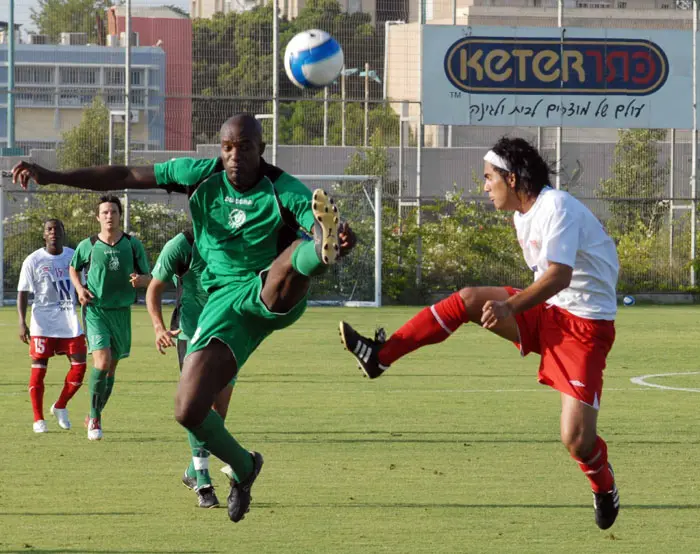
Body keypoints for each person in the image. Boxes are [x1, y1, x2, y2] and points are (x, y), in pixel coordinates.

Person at [12, 113, 356, 523]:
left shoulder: (282, 188)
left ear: (261, 149)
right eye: (227, 147)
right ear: (220, 149)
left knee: (295, 260)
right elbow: (124, 173)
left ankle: (319, 249)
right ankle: (245, 468)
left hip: (268, 290)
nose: (234, 156)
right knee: (187, 409)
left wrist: (336, 236)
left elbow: (314, 216)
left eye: (244, 148)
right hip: (222, 308)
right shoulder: (199, 175)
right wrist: (52, 175)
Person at [339, 137, 621, 530]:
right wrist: (515, 305)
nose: (484, 186)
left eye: (489, 178)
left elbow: (560, 275)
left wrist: (510, 306)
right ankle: (380, 357)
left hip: (584, 326)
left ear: (512, 177)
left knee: (576, 439)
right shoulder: (524, 214)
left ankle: (603, 485)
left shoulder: (555, 207)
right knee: (468, 299)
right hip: (548, 311)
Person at [146, 227, 235, 509]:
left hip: (227, 334)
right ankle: (204, 482)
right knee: (200, 409)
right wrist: (159, 327)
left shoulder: (233, 240)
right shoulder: (181, 245)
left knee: (218, 414)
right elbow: (154, 288)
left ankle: (191, 471)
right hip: (191, 335)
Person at [69, 195, 151, 441]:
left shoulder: (132, 244)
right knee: (102, 363)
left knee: (111, 368)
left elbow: (149, 276)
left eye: (113, 212)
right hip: (96, 310)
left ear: (119, 215)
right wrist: (80, 288)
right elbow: (73, 267)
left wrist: (141, 281)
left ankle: (95, 413)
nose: (109, 216)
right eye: (104, 212)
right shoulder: (89, 244)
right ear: (98, 217)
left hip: (121, 312)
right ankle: (95, 419)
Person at [17, 219, 87, 433]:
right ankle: (38, 419)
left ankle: (60, 406)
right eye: (49, 229)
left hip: (70, 321)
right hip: (43, 324)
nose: (53, 232)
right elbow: (23, 291)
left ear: (63, 233)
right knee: (39, 371)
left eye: (57, 229)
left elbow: (82, 288)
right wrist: (22, 321)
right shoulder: (33, 260)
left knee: (80, 368)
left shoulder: (73, 256)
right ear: (44, 235)